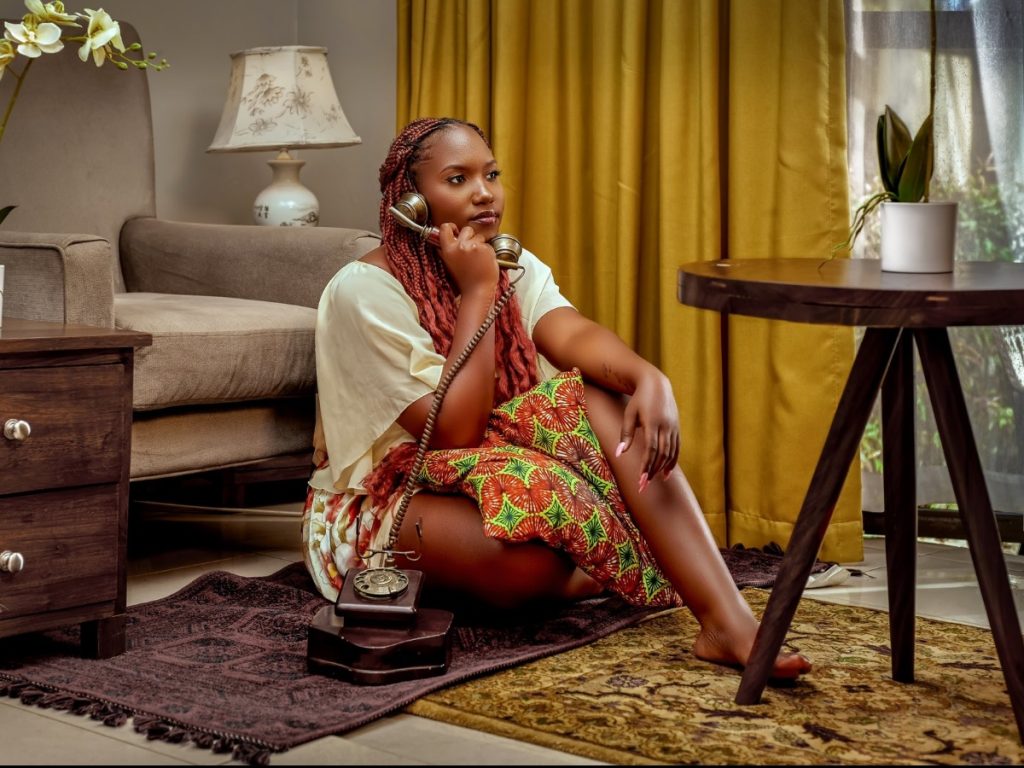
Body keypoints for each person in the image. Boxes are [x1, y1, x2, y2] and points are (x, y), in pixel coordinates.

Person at [304, 116, 811, 680]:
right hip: (388, 501)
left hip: (492, 471)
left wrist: (649, 379)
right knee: (528, 568)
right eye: (457, 179)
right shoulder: (362, 292)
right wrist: (478, 291)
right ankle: (609, 556)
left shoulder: (508, 263)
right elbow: (454, 434)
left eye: (491, 174)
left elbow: (572, 335)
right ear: (410, 201)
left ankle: (728, 624)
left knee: (602, 398)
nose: (484, 192)